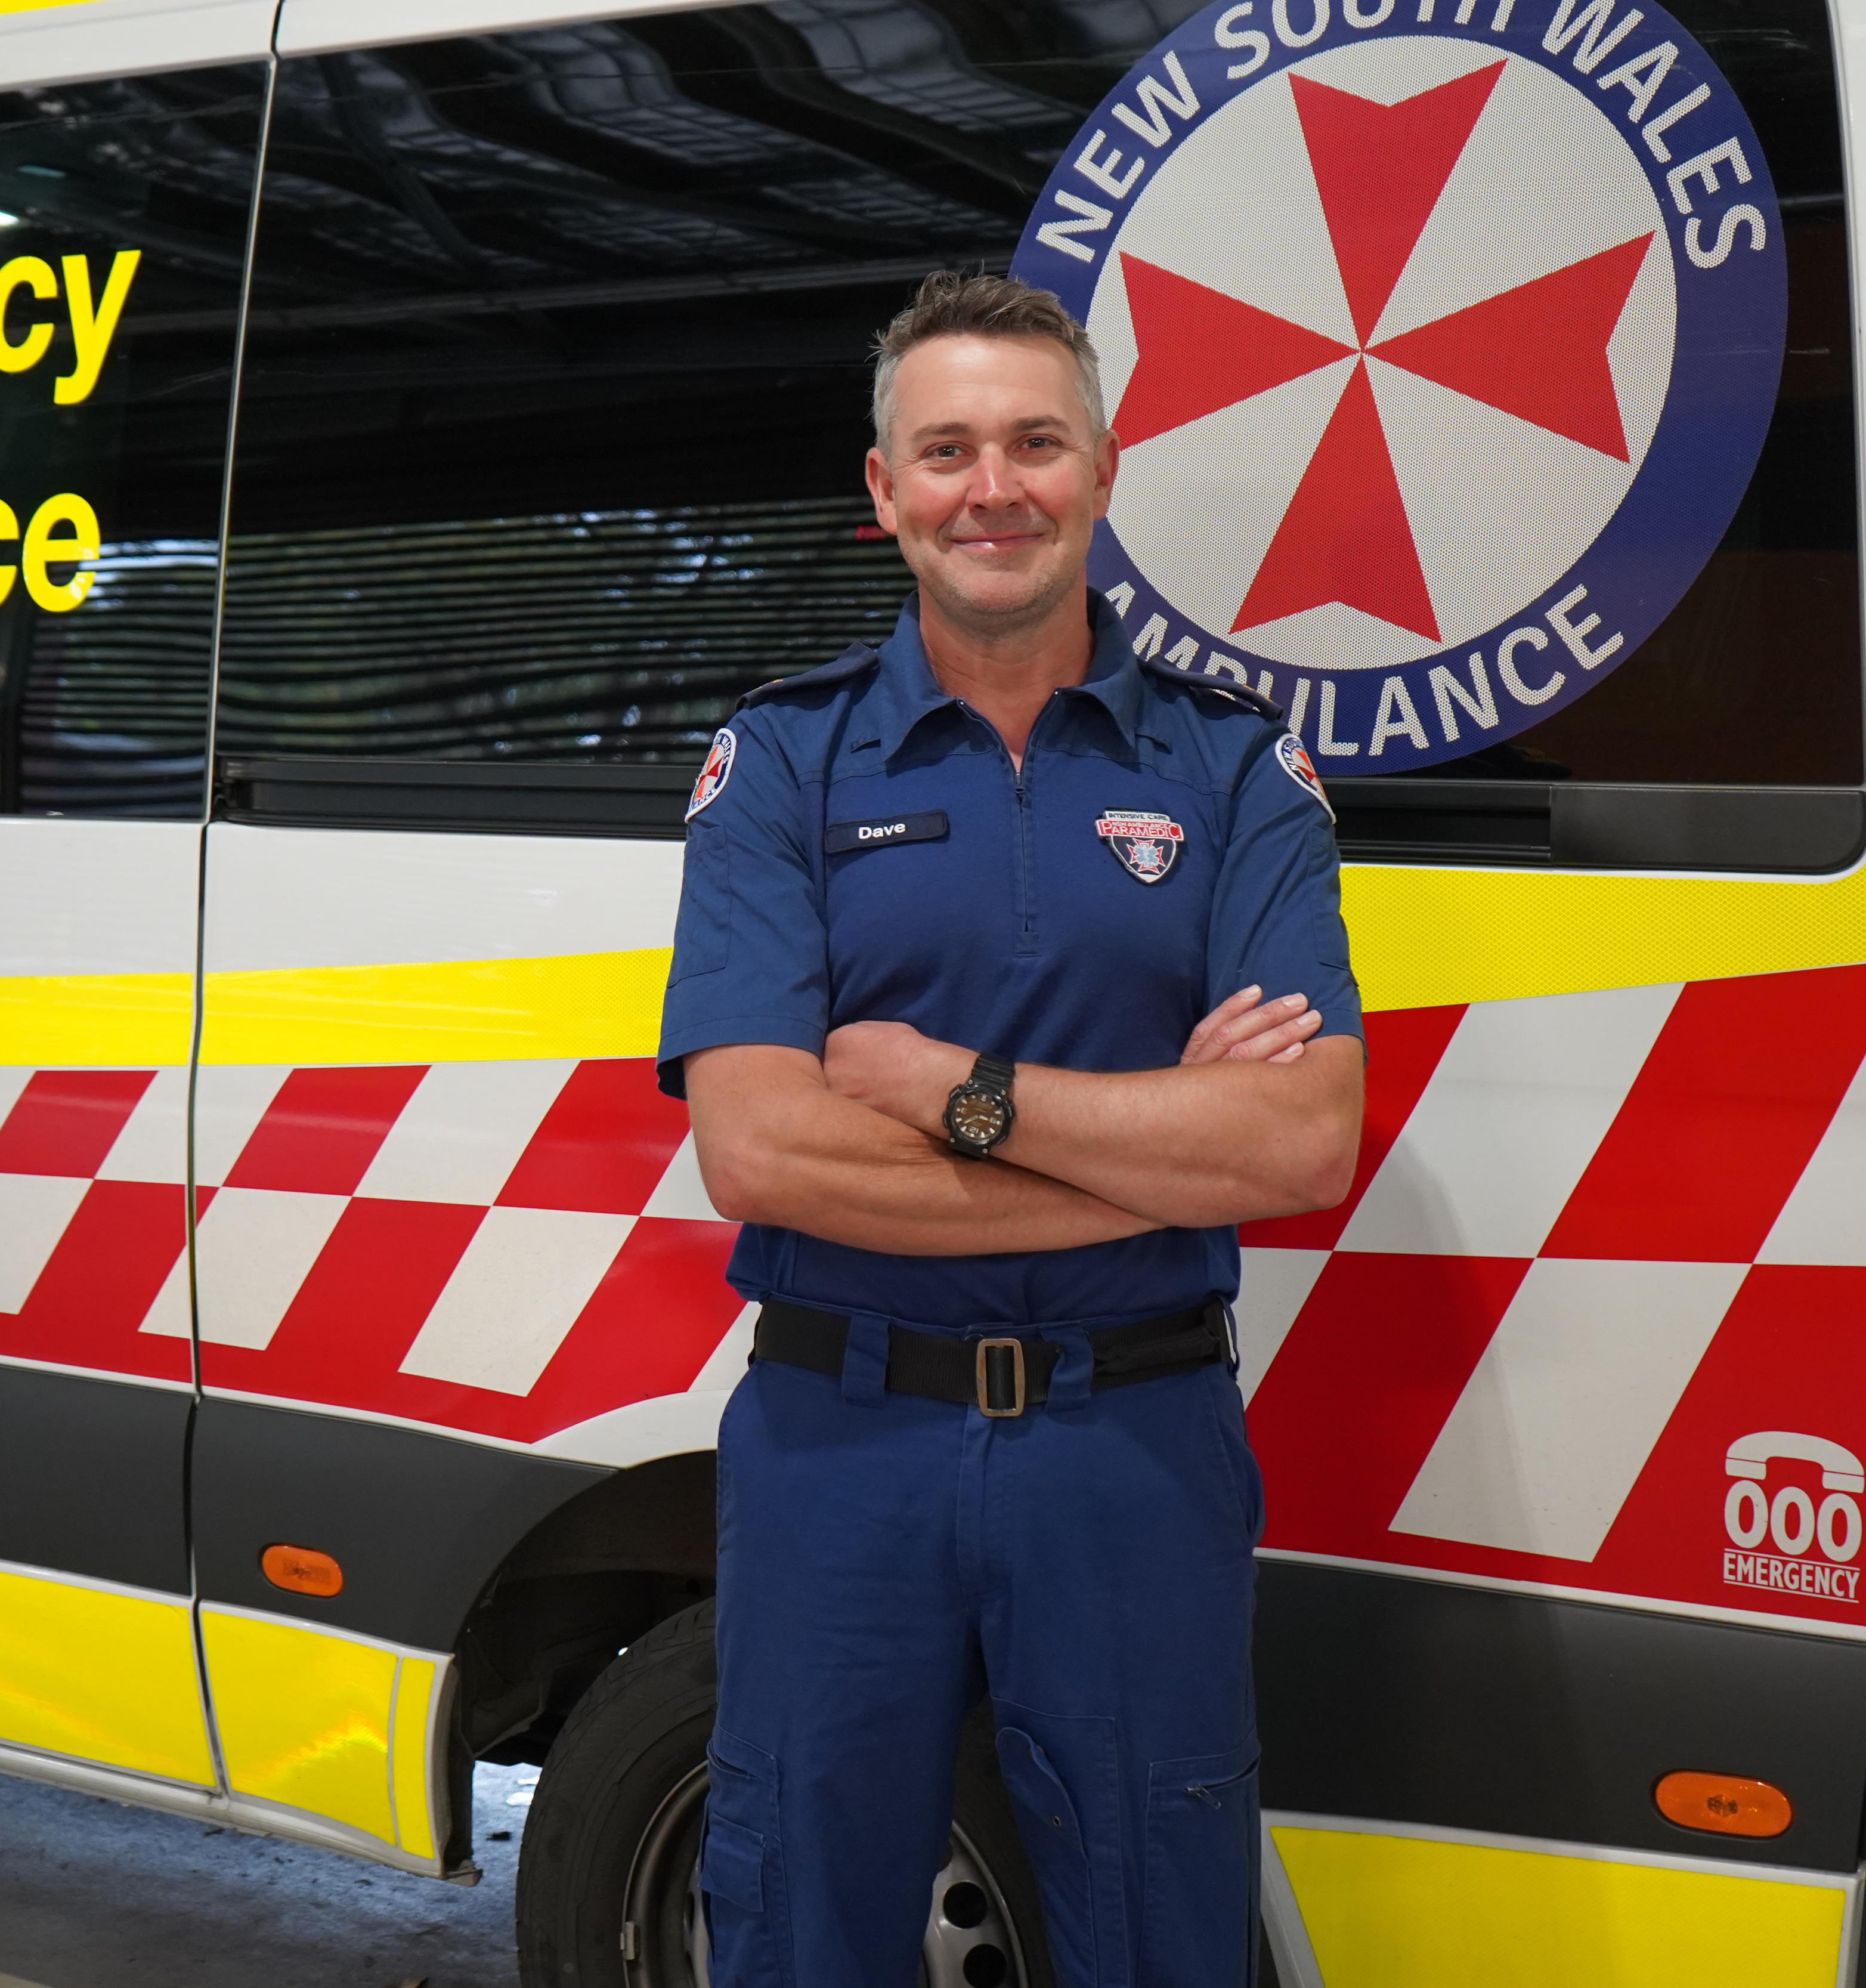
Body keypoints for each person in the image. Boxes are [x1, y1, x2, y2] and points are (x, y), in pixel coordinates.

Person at [657, 271, 1366, 1986]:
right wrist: (1147, 1145)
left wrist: (962, 1098)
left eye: (1038, 442)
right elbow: (760, 1153)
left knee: (1163, 1917)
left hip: (1136, 1446)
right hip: (844, 1442)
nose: (997, 486)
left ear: (1105, 471)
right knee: (801, 1910)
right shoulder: (785, 767)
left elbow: (1300, 1147)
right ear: (884, 491)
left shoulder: (1233, 774)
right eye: (950, 449)